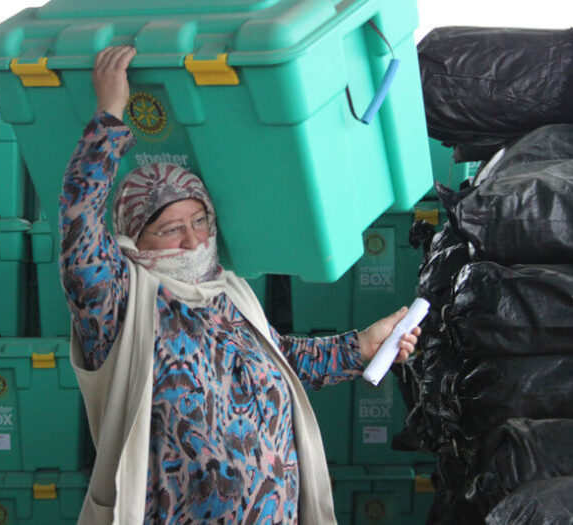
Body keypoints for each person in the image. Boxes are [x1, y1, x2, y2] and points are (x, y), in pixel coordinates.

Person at [60, 45, 421, 525]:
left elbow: (283, 360)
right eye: (170, 228)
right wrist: (108, 113)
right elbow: (79, 224)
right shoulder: (118, 301)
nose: (193, 239)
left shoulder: (232, 293)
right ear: (136, 236)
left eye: (200, 219)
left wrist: (360, 347)